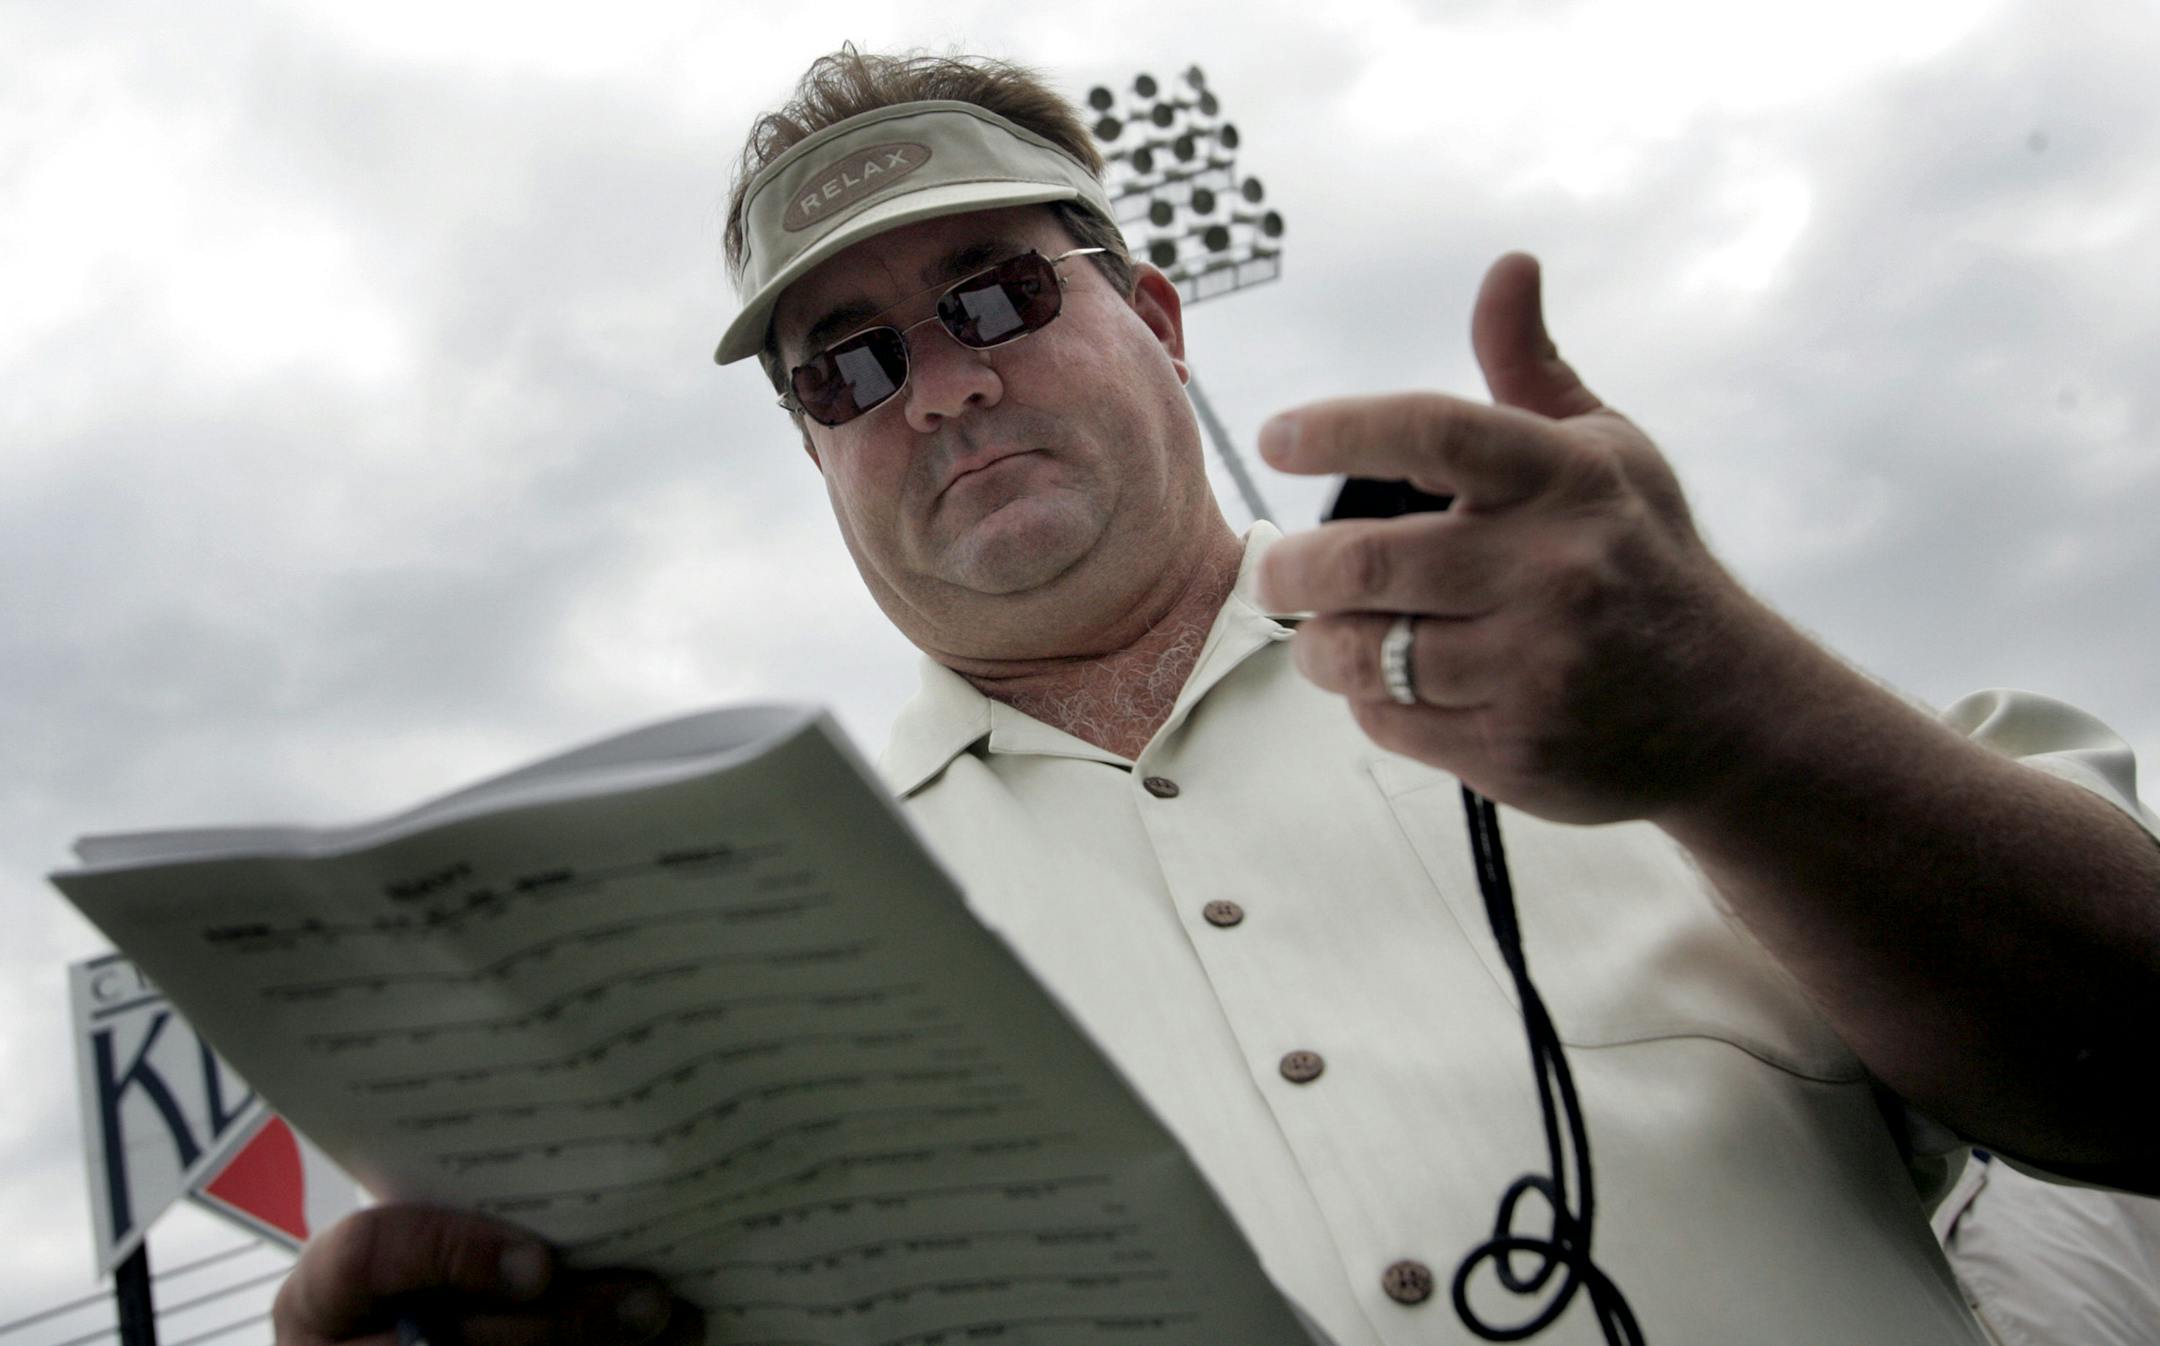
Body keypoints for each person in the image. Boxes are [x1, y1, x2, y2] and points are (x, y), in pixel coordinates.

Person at [273, 47, 2160, 1346]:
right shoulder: (719, 981)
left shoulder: (1617, 681)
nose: (939, 389)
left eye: (996, 298)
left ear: (1157, 319)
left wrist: (1746, 731)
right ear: (811, 447)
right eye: (845, 365)